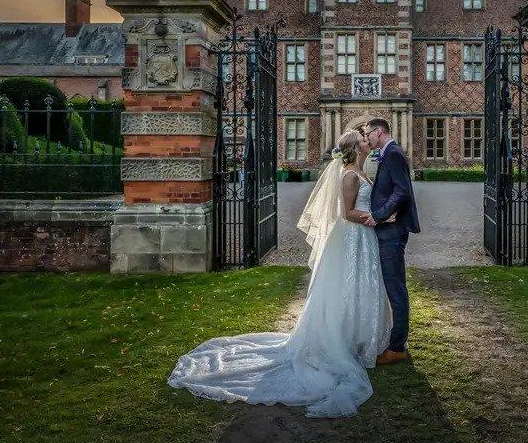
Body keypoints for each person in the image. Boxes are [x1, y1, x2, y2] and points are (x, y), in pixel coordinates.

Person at [167, 129, 391, 418]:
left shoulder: (360, 170)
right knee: (344, 288)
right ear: (354, 148)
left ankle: (356, 337)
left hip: (361, 238)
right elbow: (347, 213)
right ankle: (342, 340)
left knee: (358, 285)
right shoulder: (348, 175)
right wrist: (375, 217)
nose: (366, 140)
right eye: (362, 138)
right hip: (353, 235)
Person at [363, 117, 420, 365]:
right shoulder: (388, 152)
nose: (367, 138)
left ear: (379, 132)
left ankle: (397, 347)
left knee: (395, 287)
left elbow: (402, 191)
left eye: (368, 134)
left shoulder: (394, 153)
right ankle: (397, 341)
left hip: (392, 231)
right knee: (393, 286)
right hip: (390, 229)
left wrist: (379, 215)